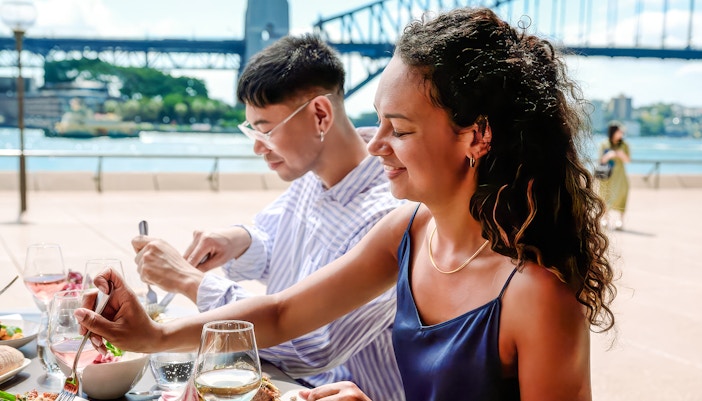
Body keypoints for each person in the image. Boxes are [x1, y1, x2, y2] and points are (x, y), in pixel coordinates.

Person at [78, 8, 616, 401]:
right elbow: (283, 312)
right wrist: (153, 335)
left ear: (476, 137)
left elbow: (306, 339)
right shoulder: (409, 230)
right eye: (378, 120)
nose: (376, 144)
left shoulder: (538, 297)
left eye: (399, 129)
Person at [131, 34, 404, 401]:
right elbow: (270, 238)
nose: (258, 147)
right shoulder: (313, 177)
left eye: (265, 129)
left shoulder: (388, 213)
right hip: (288, 387)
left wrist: (189, 281)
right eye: (251, 130)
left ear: (320, 115)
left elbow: (309, 345)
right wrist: (236, 240)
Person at [598, 122, 631, 230]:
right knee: (605, 195)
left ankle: (620, 220)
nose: (621, 133)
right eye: (619, 131)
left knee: (622, 195)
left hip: (620, 176)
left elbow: (628, 160)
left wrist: (620, 154)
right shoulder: (604, 144)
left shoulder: (624, 145)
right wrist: (608, 156)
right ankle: (605, 219)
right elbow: (601, 160)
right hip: (607, 175)